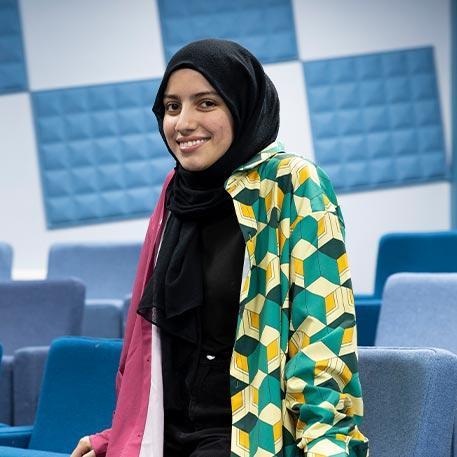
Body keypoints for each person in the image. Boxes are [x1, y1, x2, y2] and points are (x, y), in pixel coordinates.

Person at [71, 39, 369, 457]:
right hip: (166, 437)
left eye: (206, 103)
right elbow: (151, 352)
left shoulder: (291, 184)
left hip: (247, 437)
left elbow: (321, 335)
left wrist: (325, 444)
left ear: (241, 105)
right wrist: (118, 436)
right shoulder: (176, 192)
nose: (183, 122)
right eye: (172, 107)